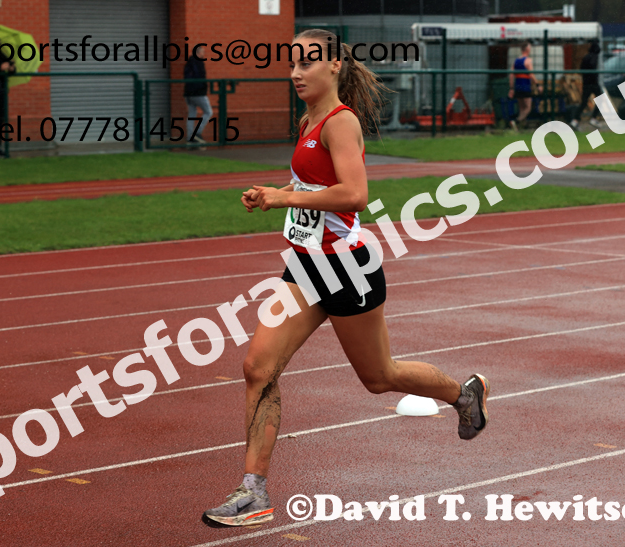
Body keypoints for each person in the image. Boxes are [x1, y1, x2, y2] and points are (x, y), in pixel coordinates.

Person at [201, 28, 490, 528]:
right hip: (304, 264)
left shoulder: (341, 122)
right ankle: (253, 492)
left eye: (307, 62)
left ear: (334, 65)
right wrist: (277, 190)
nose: (296, 72)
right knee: (257, 367)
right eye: (292, 63)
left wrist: (283, 198)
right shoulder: (308, 118)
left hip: (347, 269)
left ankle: (463, 396)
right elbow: (315, 182)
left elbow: (355, 196)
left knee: (380, 377)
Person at [508, 42, 543, 131]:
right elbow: (531, 74)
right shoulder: (528, 60)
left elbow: (511, 75)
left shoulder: (516, 61)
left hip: (518, 86)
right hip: (525, 85)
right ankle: (516, 121)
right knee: (528, 108)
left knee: (521, 108)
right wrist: (538, 85)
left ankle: (519, 127)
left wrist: (511, 88)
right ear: (527, 49)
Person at [184, 45, 212, 145]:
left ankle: (190, 137)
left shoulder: (188, 63)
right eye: (202, 52)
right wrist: (202, 87)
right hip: (198, 92)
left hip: (188, 93)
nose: (203, 54)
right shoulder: (199, 63)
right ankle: (197, 133)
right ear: (198, 53)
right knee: (208, 112)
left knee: (191, 114)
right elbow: (200, 77)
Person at [571, 41, 602, 130]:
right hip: (593, 83)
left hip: (586, 83)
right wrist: (594, 75)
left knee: (584, 103)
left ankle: (575, 120)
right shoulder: (594, 57)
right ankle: (593, 118)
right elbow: (592, 65)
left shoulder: (585, 57)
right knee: (600, 100)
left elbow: (581, 69)